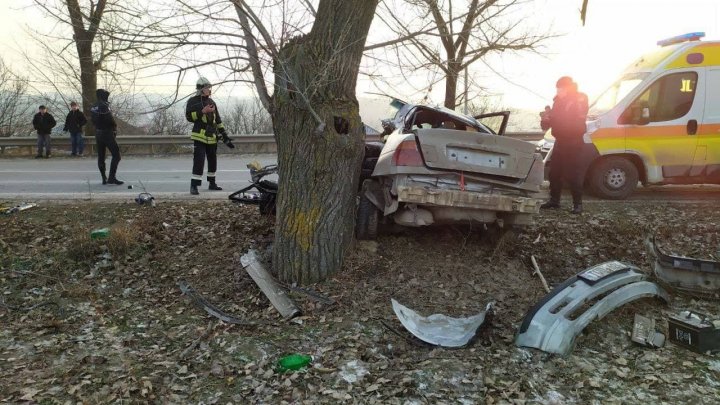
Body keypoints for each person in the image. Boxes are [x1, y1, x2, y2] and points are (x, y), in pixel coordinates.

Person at [540, 76, 589, 214]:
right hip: (560, 141)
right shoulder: (557, 101)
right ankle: (554, 201)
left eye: (560, 88)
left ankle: (577, 204)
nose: (558, 91)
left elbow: (575, 118)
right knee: (554, 173)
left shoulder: (580, 98)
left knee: (574, 174)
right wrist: (546, 119)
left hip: (574, 141)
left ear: (567, 87)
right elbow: (549, 124)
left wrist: (555, 118)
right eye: (557, 88)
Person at [186, 77, 234, 195]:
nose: (209, 89)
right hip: (199, 136)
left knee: (212, 161)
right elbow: (189, 117)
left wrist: (225, 136)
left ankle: (212, 183)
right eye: (207, 88)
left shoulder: (212, 102)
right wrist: (202, 112)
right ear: (201, 89)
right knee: (199, 161)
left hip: (212, 136)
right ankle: (194, 186)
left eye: (209, 87)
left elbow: (218, 120)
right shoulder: (193, 101)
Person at [90, 89, 124, 185]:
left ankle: (104, 178)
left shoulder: (93, 106)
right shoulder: (104, 106)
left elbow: (92, 121)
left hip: (98, 133)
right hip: (107, 133)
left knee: (101, 156)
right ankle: (111, 178)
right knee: (116, 155)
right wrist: (114, 128)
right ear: (103, 96)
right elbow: (110, 120)